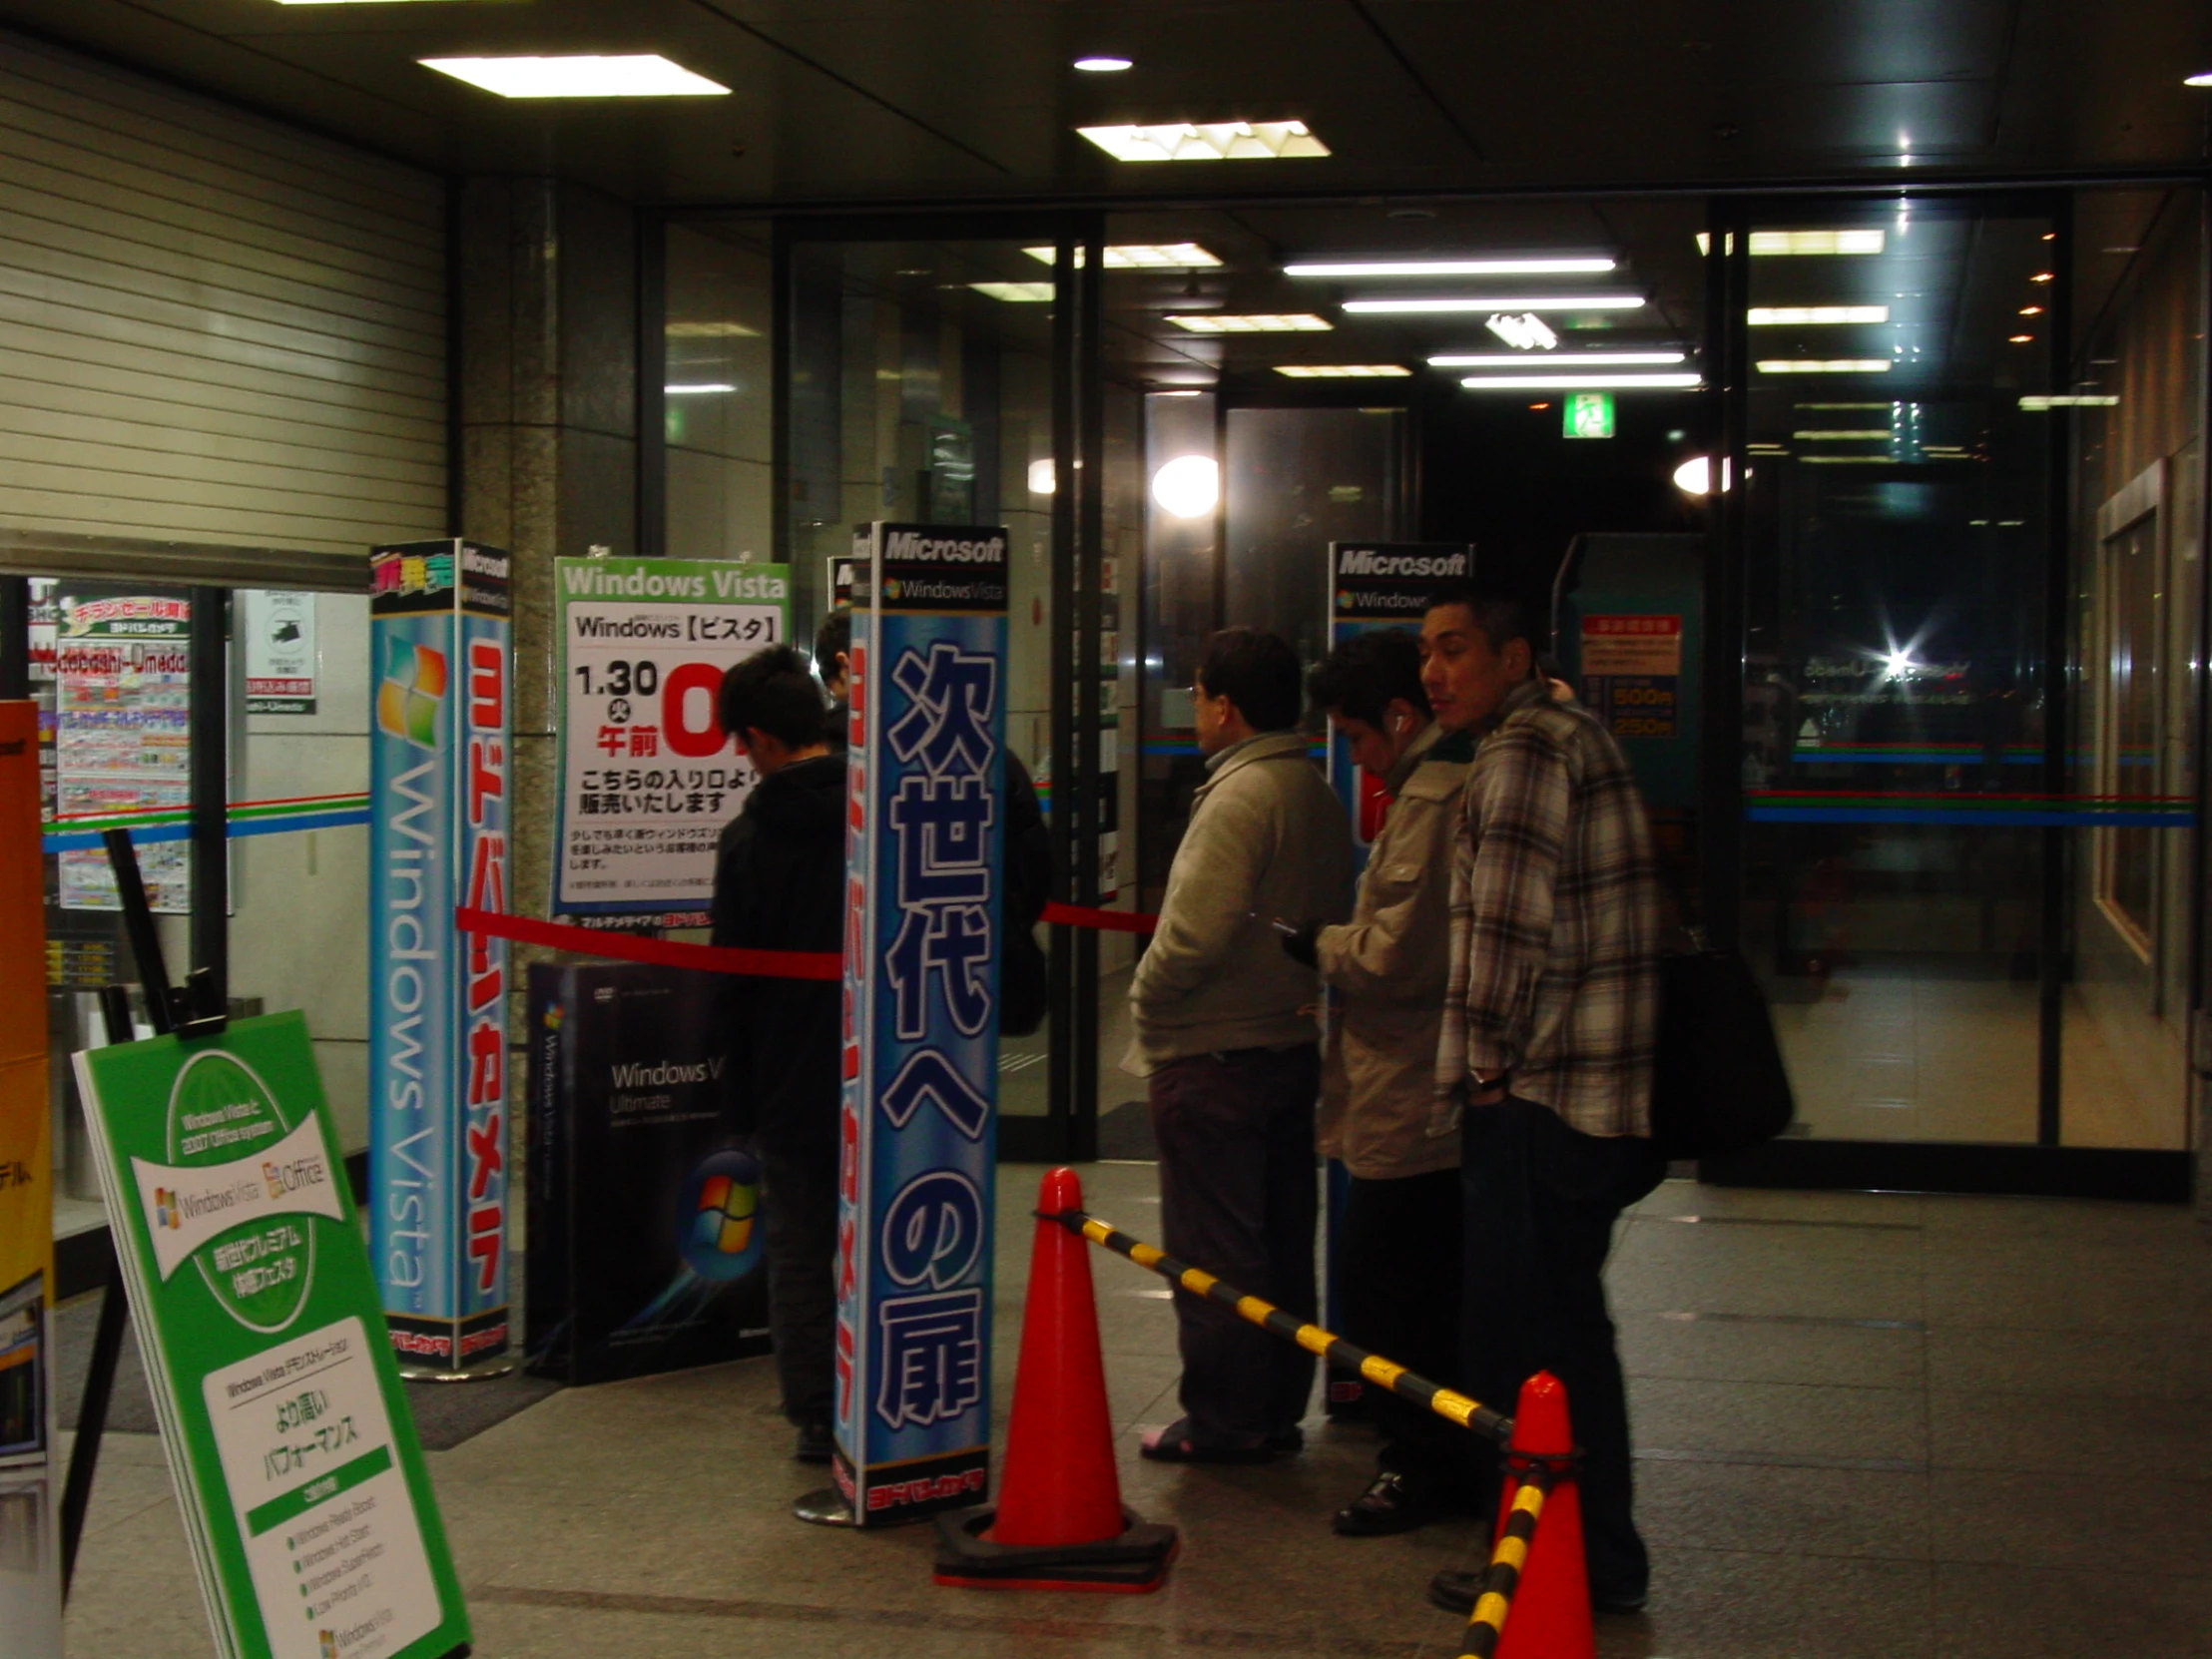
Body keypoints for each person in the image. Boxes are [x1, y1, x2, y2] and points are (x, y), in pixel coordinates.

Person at [1415, 581, 1665, 1619]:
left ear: (1513, 657)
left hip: (1539, 1100)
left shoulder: (1519, 751)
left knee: (1524, 1351)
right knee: (1567, 1336)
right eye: (1425, 652)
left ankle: (1551, 1560)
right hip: (1593, 1094)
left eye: (1457, 650)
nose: (1434, 671)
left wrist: (1481, 1075)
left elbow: (1504, 937)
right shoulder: (1575, 734)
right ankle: (1589, 1553)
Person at [1126, 627, 1353, 1461]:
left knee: (1215, 1254)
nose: (1194, 710)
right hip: (1288, 1047)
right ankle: (1275, 1409)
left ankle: (1225, 1422)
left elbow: (1195, 932)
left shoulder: (1239, 795)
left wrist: (1145, 998)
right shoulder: (1315, 790)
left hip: (1213, 1055)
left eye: (1196, 695)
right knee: (1284, 1244)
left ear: (1223, 706)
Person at [1281, 629, 1474, 1534]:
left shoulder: (1436, 797)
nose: (1352, 756)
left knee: (1390, 1286)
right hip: (1416, 1081)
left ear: (1399, 716)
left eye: (1356, 736)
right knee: (1409, 1281)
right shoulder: (1430, 788)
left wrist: (1314, 944)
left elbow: (1396, 957)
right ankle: (1437, 1456)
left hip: (1414, 1083)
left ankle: (1424, 1466)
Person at [711, 644, 845, 1464]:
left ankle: (819, 1413)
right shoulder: (887, 811)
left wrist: (738, 1100)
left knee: (801, 1248)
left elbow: (734, 980)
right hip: (899, 1070)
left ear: (762, 738)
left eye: (739, 741)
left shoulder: (750, 839)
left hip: (794, 1079)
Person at [815, 602, 1053, 1034]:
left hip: (860, 995)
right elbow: (1035, 861)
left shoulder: (824, 762)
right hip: (963, 975)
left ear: (847, 665)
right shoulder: (981, 749)